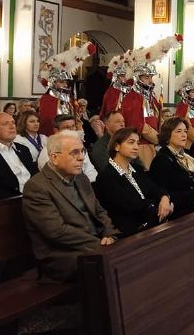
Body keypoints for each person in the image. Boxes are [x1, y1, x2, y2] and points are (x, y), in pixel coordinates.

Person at [22, 131, 119, 282]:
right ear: (54, 158)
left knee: (132, 253)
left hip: (93, 245)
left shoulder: (81, 178)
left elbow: (99, 211)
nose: (81, 157)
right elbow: (56, 231)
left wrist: (109, 234)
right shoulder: (37, 187)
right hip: (62, 255)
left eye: (82, 151)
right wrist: (98, 244)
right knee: (113, 266)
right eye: (74, 153)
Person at [94, 127, 173, 236]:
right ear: (117, 146)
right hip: (131, 232)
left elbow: (155, 189)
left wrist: (164, 199)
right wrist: (158, 206)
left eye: (137, 143)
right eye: (131, 143)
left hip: (151, 223)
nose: (136, 147)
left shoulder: (137, 169)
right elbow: (131, 206)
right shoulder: (106, 176)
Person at [122, 36, 182, 169]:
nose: (150, 80)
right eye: (146, 77)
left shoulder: (150, 97)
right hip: (142, 147)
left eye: (150, 77)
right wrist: (160, 139)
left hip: (156, 145)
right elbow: (139, 126)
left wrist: (165, 135)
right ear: (137, 78)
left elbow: (158, 118)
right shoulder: (132, 97)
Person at [148, 117, 194, 219]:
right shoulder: (161, 160)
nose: (184, 134)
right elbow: (161, 193)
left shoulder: (188, 155)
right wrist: (191, 198)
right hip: (177, 214)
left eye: (185, 131)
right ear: (167, 135)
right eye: (179, 131)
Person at [38, 42, 96, 136]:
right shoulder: (47, 99)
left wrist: (79, 112)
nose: (65, 85)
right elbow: (48, 124)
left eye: (66, 82)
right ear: (53, 83)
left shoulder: (69, 99)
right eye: (61, 82)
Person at [37, 115, 98, 182]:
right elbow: (56, 181)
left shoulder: (79, 146)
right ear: (56, 130)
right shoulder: (47, 153)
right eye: (67, 128)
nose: (72, 130)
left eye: (73, 126)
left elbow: (90, 170)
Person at [100, 50, 133, 119]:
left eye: (127, 76)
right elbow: (109, 114)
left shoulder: (131, 90)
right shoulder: (112, 92)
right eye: (122, 76)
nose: (126, 79)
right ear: (116, 77)